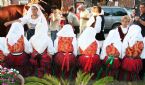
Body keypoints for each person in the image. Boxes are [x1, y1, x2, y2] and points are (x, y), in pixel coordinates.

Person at [134, 2, 145, 80]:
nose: (141, 9)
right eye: (140, 7)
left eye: (142, 7)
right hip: (138, 38)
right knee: (138, 55)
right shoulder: (139, 14)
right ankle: (138, 72)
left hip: (144, 37)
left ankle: (141, 74)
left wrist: (140, 20)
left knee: (143, 56)